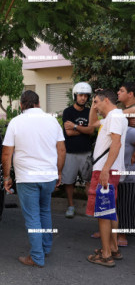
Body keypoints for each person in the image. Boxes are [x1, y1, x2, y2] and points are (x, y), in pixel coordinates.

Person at [2, 90, 66, 267]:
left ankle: (37, 257)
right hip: (48, 177)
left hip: (27, 178)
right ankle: (45, 248)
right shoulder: (53, 121)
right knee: (44, 211)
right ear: (38, 103)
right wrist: (58, 172)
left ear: (22, 105)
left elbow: (7, 153)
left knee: (32, 218)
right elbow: (61, 150)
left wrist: (6, 177)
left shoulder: (16, 122)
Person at [86, 89, 128, 267]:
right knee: (110, 210)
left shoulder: (115, 117)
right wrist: (93, 107)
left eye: (96, 102)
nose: (95, 105)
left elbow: (116, 143)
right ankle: (113, 248)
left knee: (103, 212)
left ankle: (106, 254)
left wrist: (105, 169)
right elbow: (92, 123)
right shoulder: (111, 117)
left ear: (106, 101)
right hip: (109, 170)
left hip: (106, 171)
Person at [62, 82, 94, 218]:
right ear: (75, 96)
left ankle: (91, 208)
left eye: (86, 96)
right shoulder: (68, 112)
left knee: (89, 181)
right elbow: (68, 133)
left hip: (86, 153)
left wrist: (75, 126)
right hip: (70, 153)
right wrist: (84, 130)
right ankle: (71, 206)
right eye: (81, 95)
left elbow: (92, 131)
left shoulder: (90, 112)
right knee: (69, 182)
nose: (83, 98)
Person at [116, 82, 135, 246]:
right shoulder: (122, 113)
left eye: (121, 90)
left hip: (130, 169)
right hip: (118, 167)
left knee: (127, 203)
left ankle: (123, 235)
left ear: (131, 94)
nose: (118, 93)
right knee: (118, 202)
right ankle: (112, 231)